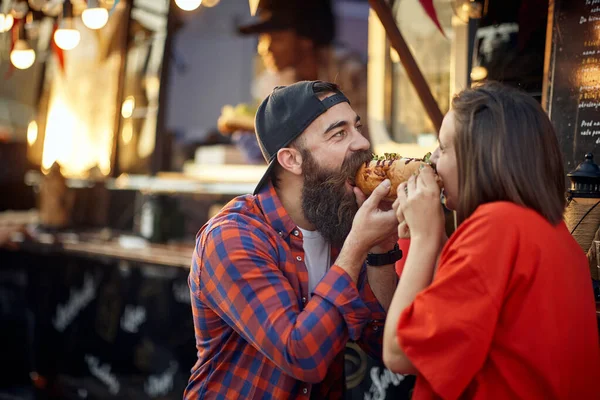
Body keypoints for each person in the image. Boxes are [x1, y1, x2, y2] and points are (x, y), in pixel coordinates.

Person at [382, 82, 600, 399]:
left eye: (443, 148)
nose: (431, 160)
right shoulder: (553, 234)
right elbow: (455, 315)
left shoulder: (497, 227)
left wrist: (426, 237)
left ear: (479, 157)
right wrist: (421, 238)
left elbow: (399, 352)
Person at [185, 81, 401, 399]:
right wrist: (357, 247)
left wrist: (380, 249)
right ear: (291, 159)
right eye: (339, 134)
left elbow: (386, 344)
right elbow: (301, 356)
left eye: (357, 127)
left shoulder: (341, 222)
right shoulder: (232, 238)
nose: (363, 143)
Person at [221, 0, 369, 164]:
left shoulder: (351, 73)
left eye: (275, 38)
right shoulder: (273, 82)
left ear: (306, 39)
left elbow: (363, 136)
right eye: (262, 39)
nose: (265, 48)